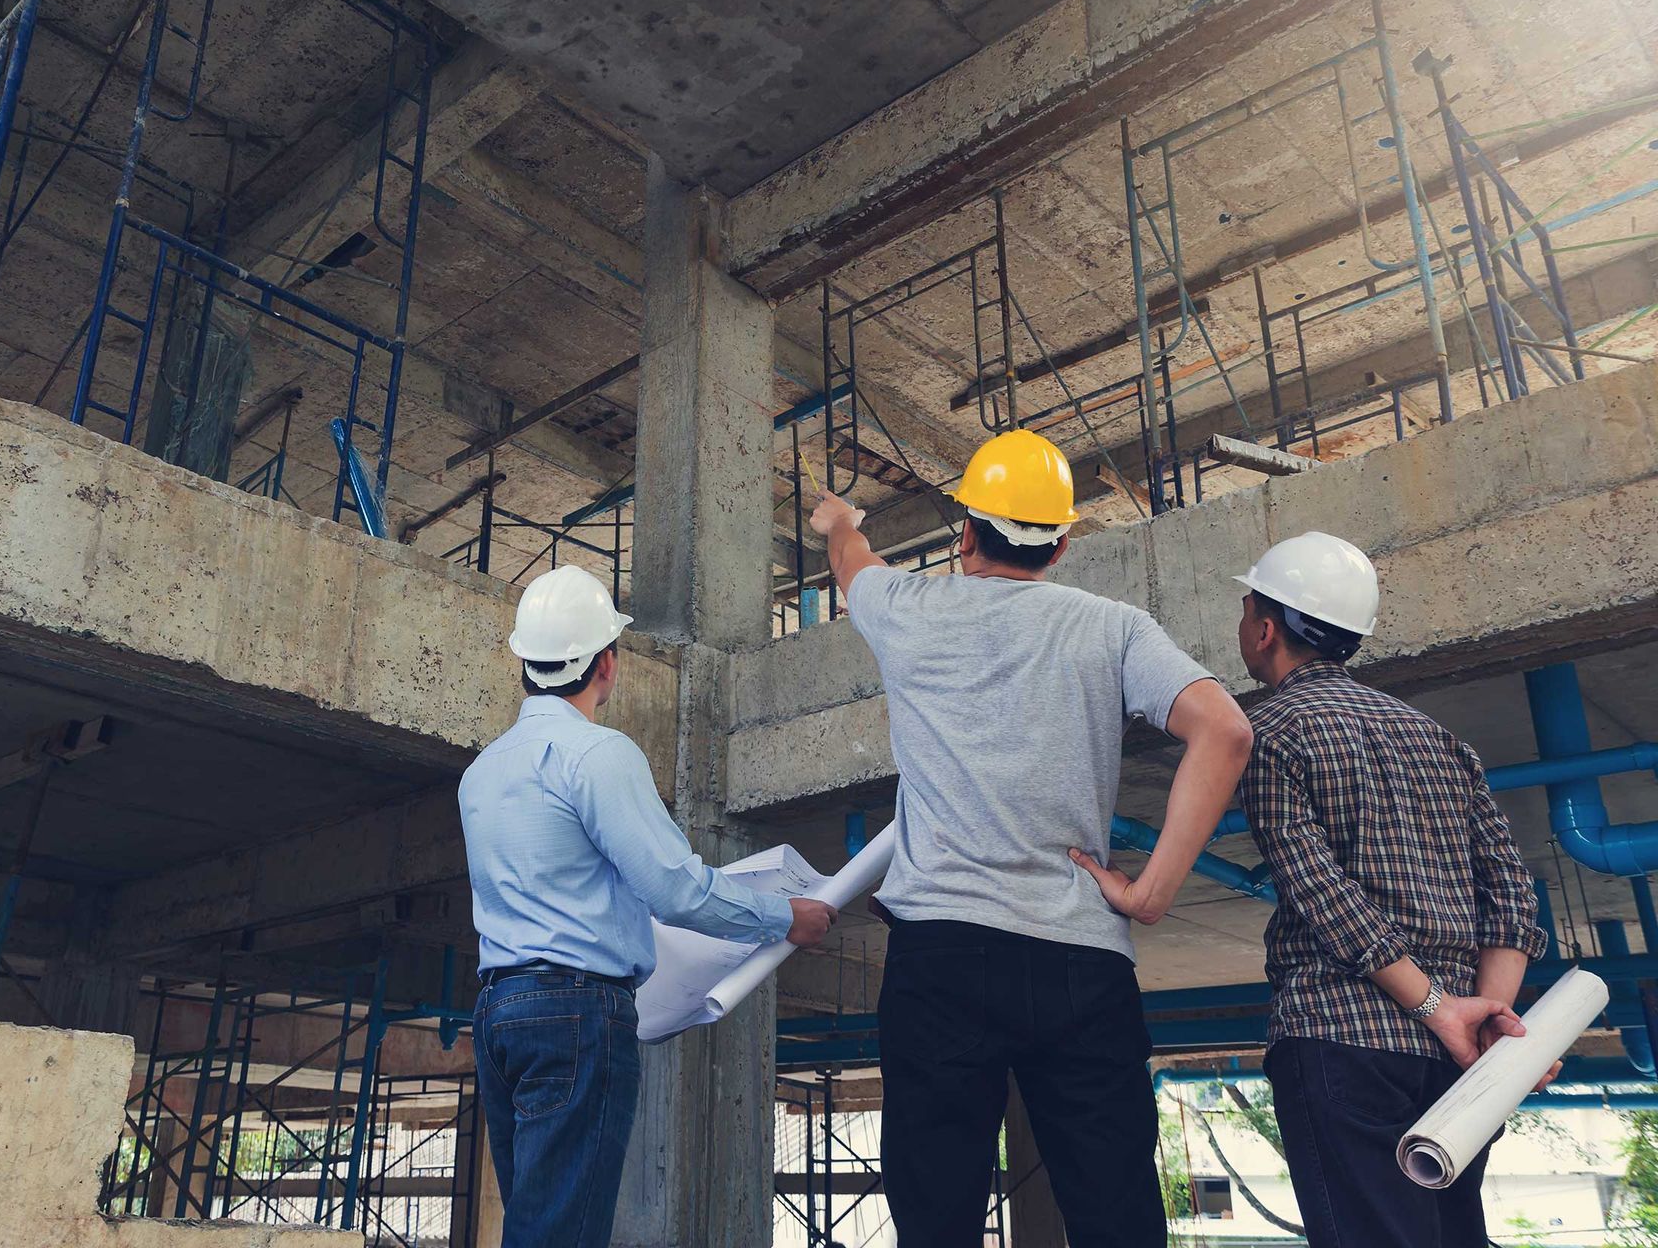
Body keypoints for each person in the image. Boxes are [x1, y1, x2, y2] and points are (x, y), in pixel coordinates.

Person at [810, 428, 1253, 1248]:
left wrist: (839, 519)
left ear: (966, 532)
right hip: (1082, 958)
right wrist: (1151, 893)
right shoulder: (1115, 627)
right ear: (1061, 542)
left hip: (941, 958)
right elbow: (1224, 732)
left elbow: (852, 564)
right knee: (1117, 1213)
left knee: (936, 1215)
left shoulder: (909, 609)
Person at [458, 564, 838, 1248]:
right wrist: (786, 917)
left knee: (536, 1222)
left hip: (498, 1012)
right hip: (576, 1011)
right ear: (607, 662)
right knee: (562, 1234)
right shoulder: (599, 756)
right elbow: (675, 890)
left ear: (523, 662)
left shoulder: (481, 772)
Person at [1230, 531, 1550, 1248]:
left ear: (1265, 628)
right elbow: (1511, 892)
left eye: (1246, 607)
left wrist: (1440, 1008)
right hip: (1459, 1066)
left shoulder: (1269, 732)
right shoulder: (1438, 739)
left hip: (1341, 1039)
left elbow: (1321, 893)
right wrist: (1488, 1020)